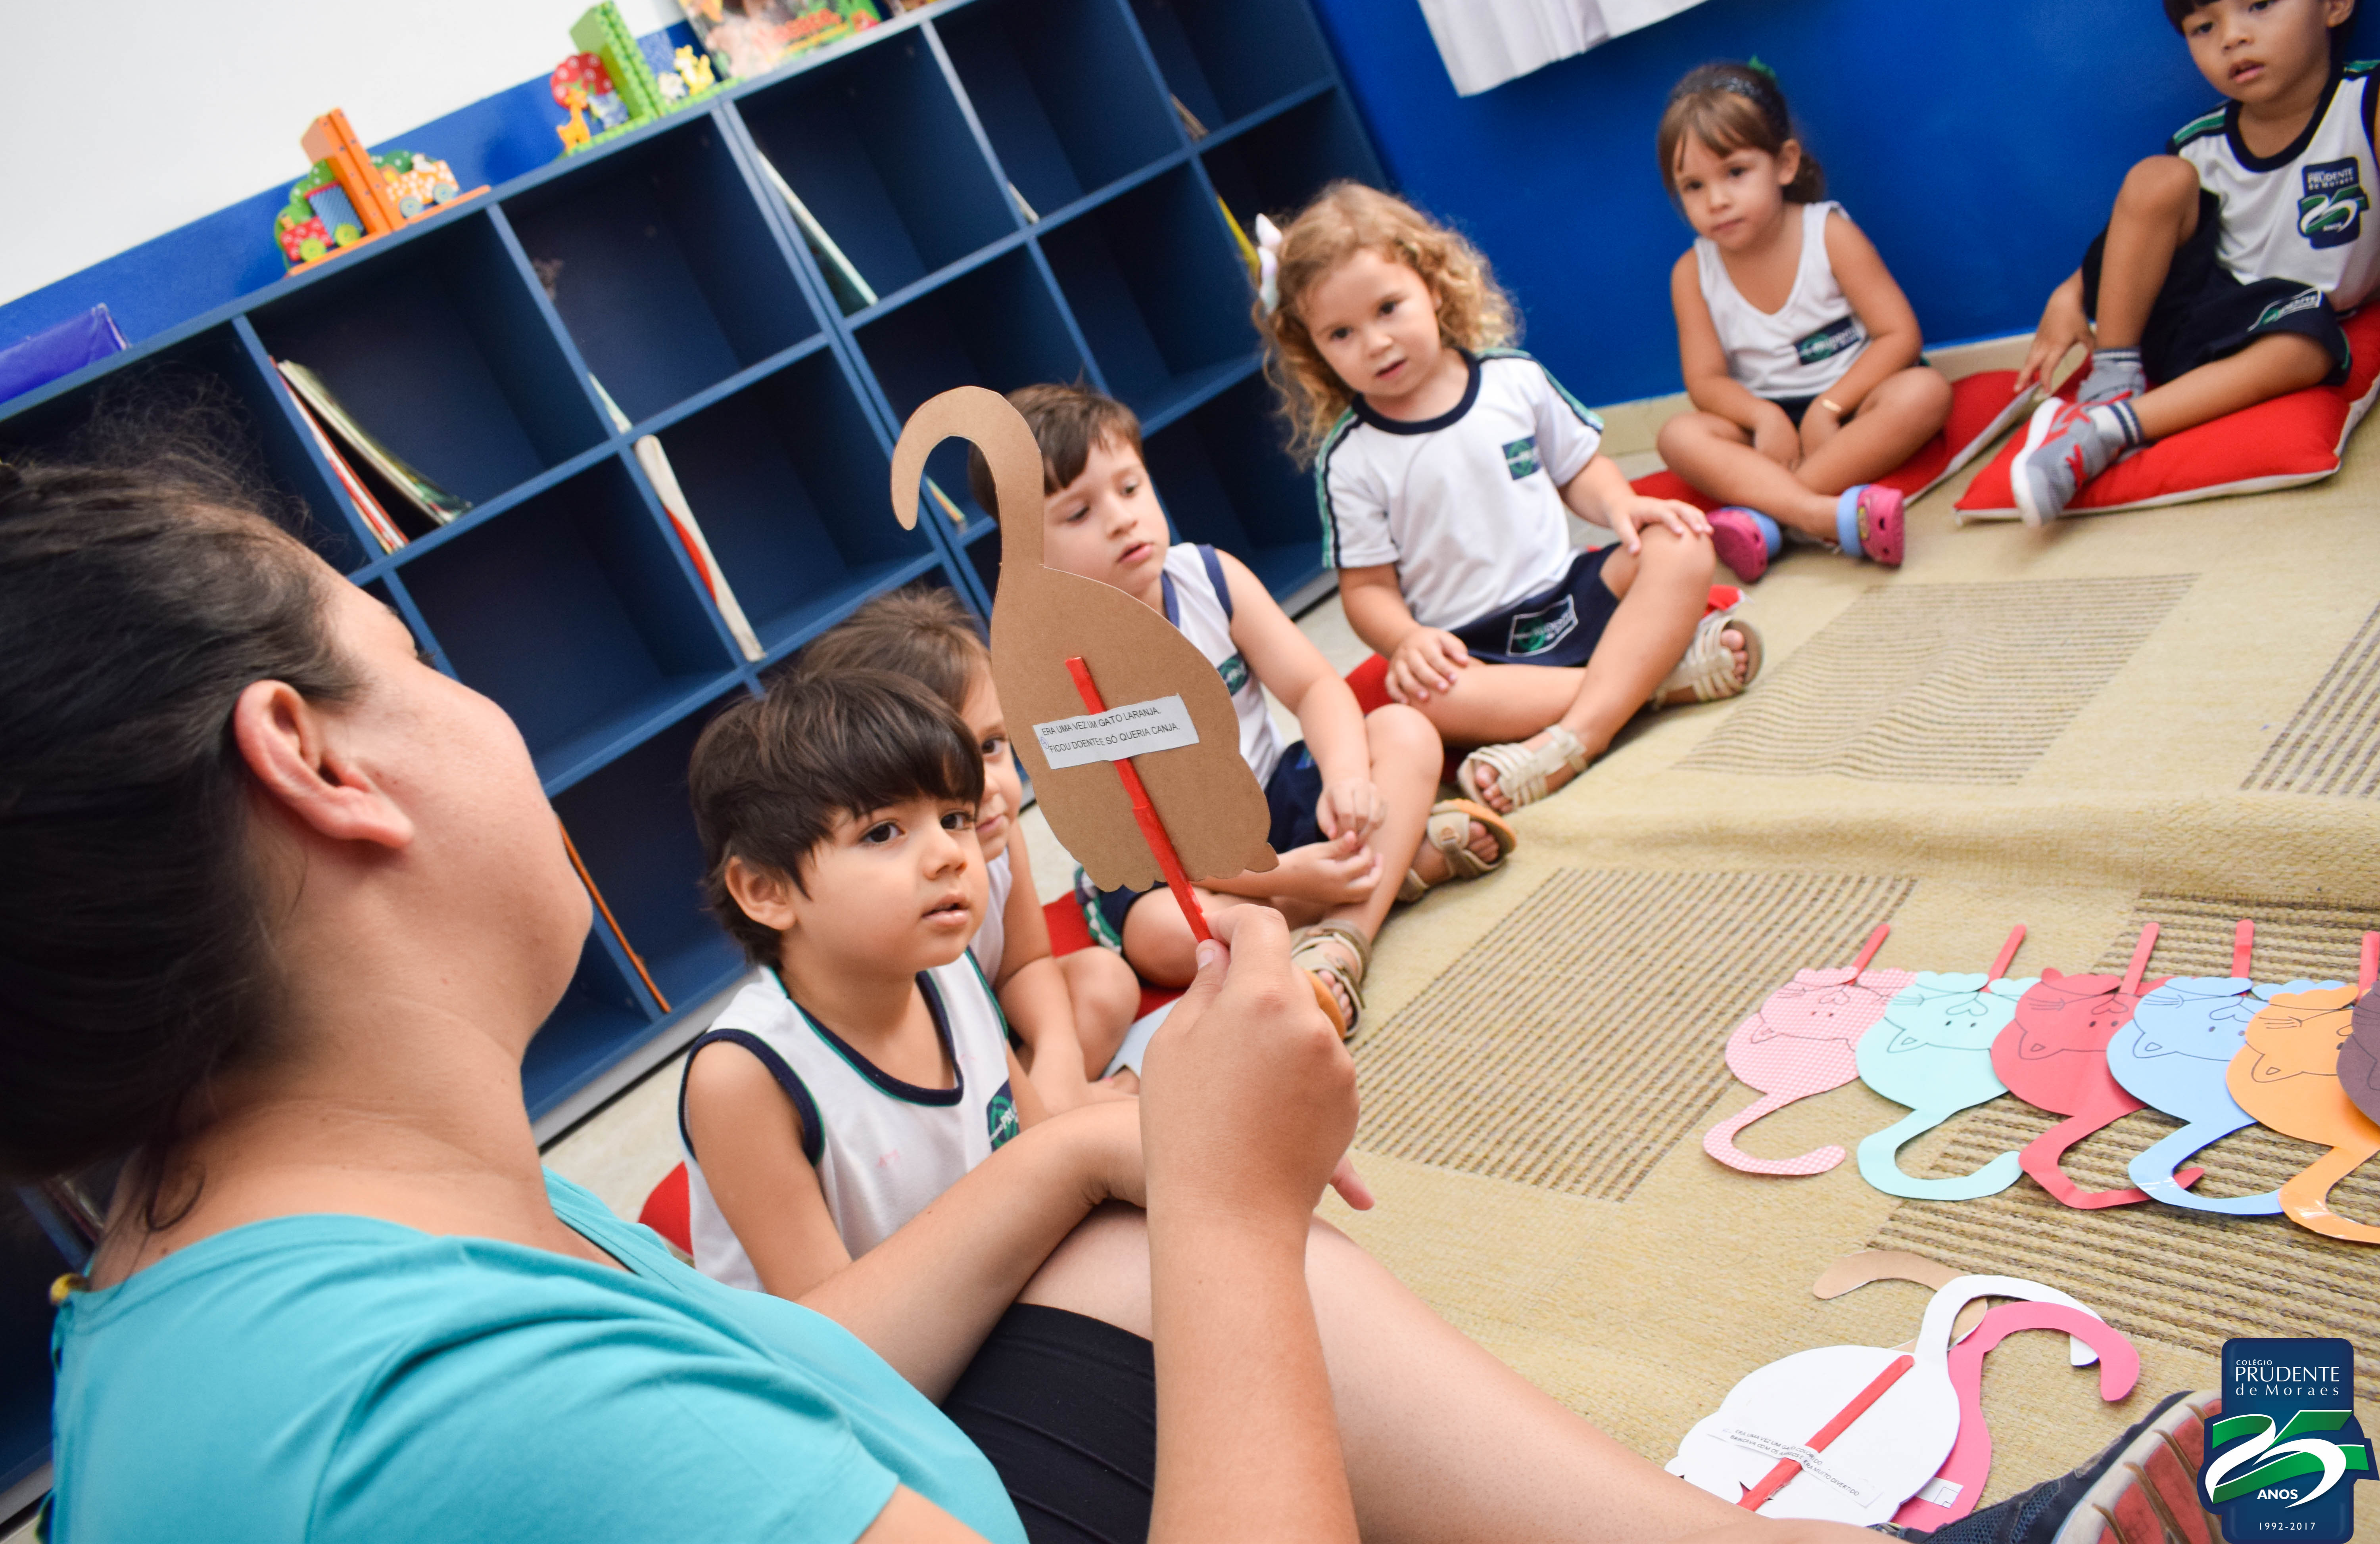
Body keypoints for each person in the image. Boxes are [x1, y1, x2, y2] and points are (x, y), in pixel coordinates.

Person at [3, 416, 2217, 1544]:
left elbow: (801, 1357)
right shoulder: (435, 1423)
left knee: (1126, 1211)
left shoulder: (327, 1228)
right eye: (413, 659)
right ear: (313, 766)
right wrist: (1238, 1210)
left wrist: (1092, 1140)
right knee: (1191, 1242)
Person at [966, 381, 1515, 1034]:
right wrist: (1285, 875)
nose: (1121, 518)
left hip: (1271, 800)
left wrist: (1345, 779)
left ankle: (1338, 935)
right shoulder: (1056, 676)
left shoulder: (1208, 576)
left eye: (1131, 488)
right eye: (1079, 513)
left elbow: (1314, 688)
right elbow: (1147, 840)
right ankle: (1390, 870)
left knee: (1403, 730)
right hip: (1169, 865)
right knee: (1162, 939)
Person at [1257, 181, 1761, 817]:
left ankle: (1579, 731)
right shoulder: (1351, 459)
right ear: (1316, 351)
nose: (1376, 343)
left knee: (1682, 543)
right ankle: (1650, 682)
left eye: (1389, 308)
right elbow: (1366, 591)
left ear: (1433, 289)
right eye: (1341, 334)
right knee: (1418, 700)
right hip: (1477, 651)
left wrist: (1620, 507)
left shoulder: (1513, 380)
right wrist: (1408, 638)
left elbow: (1581, 470)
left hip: (1575, 596)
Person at [678, 668, 1064, 1295]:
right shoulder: (745, 1076)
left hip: (993, 1294)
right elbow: (844, 1343)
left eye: (954, 818)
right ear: (766, 891)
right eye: (884, 832)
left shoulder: (947, 968)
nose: (950, 856)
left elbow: (1045, 1147)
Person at [2008, 0, 2370, 526]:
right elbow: (2135, 238)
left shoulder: (2364, 106)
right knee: (2157, 176)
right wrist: (2070, 295)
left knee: (2310, 341)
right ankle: (2112, 382)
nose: (2233, 38)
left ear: (2336, 2)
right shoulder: (2199, 144)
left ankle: (2109, 430)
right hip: (2188, 320)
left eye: (2262, 5)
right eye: (2204, 28)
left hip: (2286, 327)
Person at [797, 588, 1142, 1105]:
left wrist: (1059, 1059)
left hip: (992, 1033)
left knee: (1104, 983)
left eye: (990, 746)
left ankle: (1045, 1119)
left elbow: (1025, 963)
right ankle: (1037, 1136)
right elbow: (924, 1051)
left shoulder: (999, 831)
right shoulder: (894, 893)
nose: (987, 786)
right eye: (945, 770)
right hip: (922, 1073)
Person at [1651, 62, 1951, 579]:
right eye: (1693, 187)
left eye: (1735, 173)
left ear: (1785, 164)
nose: (1716, 200)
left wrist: (1831, 407)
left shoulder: (1828, 233)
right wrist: (1765, 419)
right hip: (1766, 426)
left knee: (1926, 392)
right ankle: (1818, 514)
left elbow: (1899, 335)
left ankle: (1768, 515)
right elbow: (1705, 381)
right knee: (1679, 436)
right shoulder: (1690, 272)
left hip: (1854, 403)